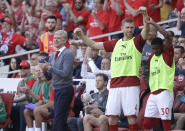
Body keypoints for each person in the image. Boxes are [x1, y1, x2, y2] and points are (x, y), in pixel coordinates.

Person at [74, 7, 149, 131]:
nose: (130, 30)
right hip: (114, 85)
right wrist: (82, 36)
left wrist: (145, 17)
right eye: (127, 27)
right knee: (112, 118)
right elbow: (93, 45)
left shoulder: (137, 42)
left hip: (131, 84)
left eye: (132, 27)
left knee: (131, 118)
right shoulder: (115, 43)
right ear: (122, 28)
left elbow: (146, 32)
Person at [142, 18, 175, 131]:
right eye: (153, 49)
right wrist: (143, 72)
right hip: (153, 93)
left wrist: (153, 23)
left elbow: (167, 36)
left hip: (164, 92)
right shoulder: (152, 57)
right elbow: (151, 72)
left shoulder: (167, 54)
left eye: (157, 49)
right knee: (146, 122)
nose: (155, 51)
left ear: (163, 47)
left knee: (165, 122)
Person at [40, 30, 74, 131]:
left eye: (58, 38)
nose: (55, 40)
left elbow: (65, 73)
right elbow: (49, 76)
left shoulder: (68, 53)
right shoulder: (52, 55)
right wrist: (44, 70)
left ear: (64, 40)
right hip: (57, 90)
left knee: (59, 120)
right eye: (54, 38)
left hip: (65, 89)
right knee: (60, 121)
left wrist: (50, 68)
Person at [11, 61, 36, 131]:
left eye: (25, 68)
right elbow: (18, 95)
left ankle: (22, 129)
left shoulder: (32, 79)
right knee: (11, 108)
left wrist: (13, 100)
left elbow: (28, 97)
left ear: (29, 69)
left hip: (32, 103)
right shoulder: (20, 82)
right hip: (22, 104)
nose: (22, 70)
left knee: (22, 107)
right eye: (21, 68)